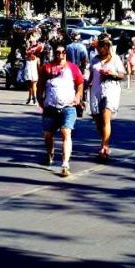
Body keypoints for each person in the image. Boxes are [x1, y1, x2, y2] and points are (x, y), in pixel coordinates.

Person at [38, 44, 84, 178]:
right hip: (50, 106)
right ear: (54, 53)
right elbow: (40, 85)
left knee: (66, 132)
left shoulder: (73, 68)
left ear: (66, 54)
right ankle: (50, 154)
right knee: (47, 134)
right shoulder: (46, 67)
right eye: (58, 52)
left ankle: (65, 164)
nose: (61, 54)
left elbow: (80, 83)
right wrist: (40, 99)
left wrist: (78, 96)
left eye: (63, 52)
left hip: (68, 106)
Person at [87, 37, 125, 160]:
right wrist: (84, 86)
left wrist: (112, 74)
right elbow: (91, 76)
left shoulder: (115, 59)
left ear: (107, 48)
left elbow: (121, 75)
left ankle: (104, 147)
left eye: (101, 47)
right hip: (95, 91)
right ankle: (103, 139)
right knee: (98, 122)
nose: (99, 49)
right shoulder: (94, 59)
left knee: (105, 119)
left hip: (110, 90)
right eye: (98, 47)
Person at [23, 34, 42, 105]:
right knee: (29, 83)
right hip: (29, 64)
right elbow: (25, 53)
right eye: (31, 37)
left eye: (33, 36)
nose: (32, 38)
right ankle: (30, 97)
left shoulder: (39, 46)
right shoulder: (27, 45)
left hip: (34, 64)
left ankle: (34, 97)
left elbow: (38, 54)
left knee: (34, 82)